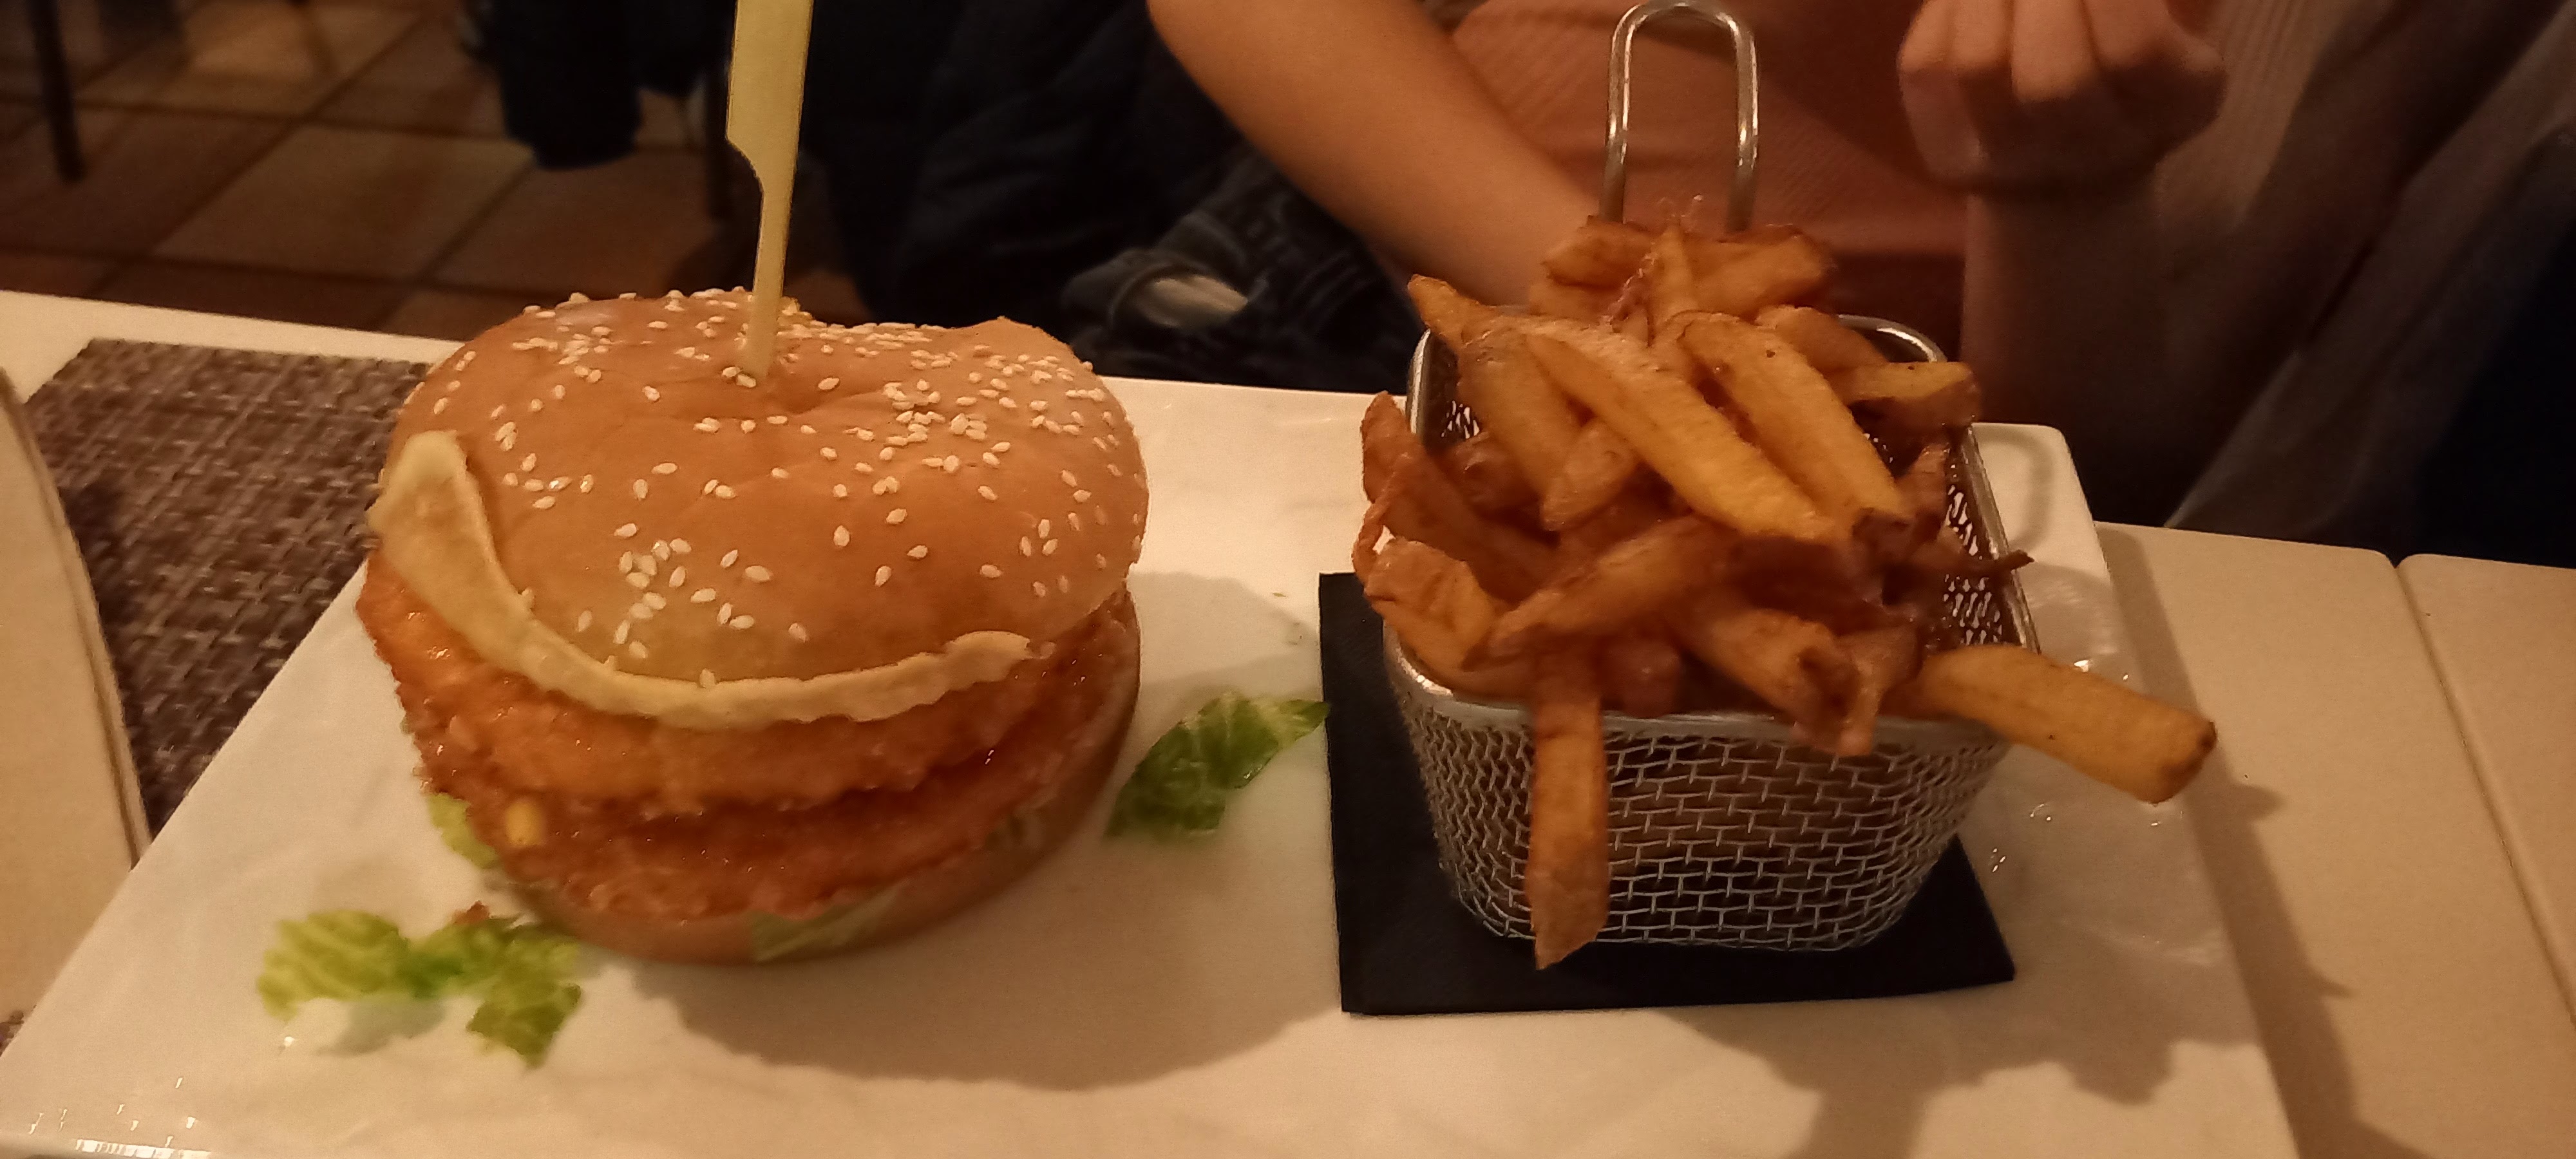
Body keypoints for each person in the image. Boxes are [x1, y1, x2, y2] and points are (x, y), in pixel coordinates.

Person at [1148, 0, 2228, 523]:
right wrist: (1627, 318)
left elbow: (2108, 495)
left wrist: (2070, 204)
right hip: (1350, 321)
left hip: (1899, 484)